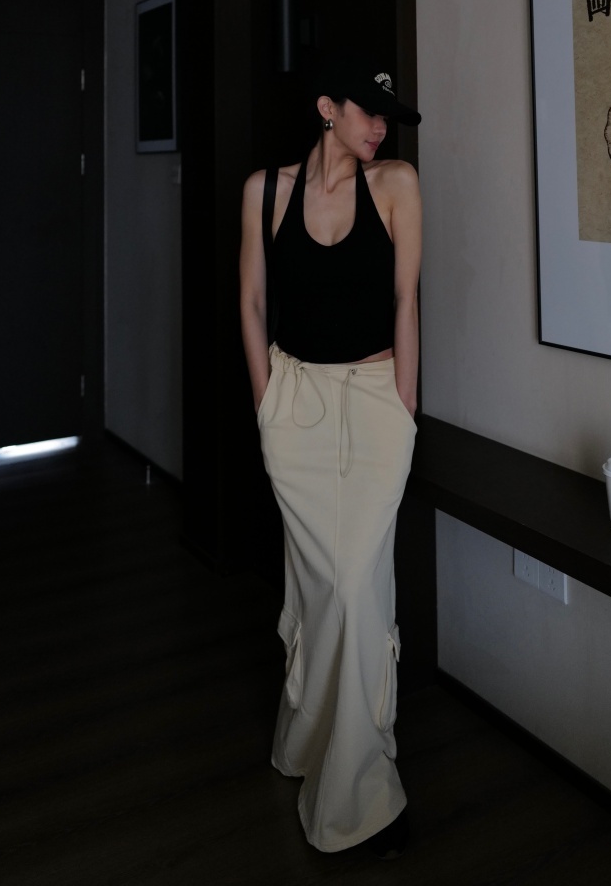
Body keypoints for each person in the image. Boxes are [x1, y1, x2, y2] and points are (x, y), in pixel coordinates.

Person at [239, 57, 422, 858]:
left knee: (356, 584)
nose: (380, 127)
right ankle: (307, 742)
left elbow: (407, 299)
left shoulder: (397, 184)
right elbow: (250, 301)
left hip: (378, 401)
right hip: (297, 406)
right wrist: (267, 403)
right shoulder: (266, 191)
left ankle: (357, 790)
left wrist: (405, 408)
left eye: (387, 116)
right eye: (367, 111)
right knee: (321, 588)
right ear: (327, 108)